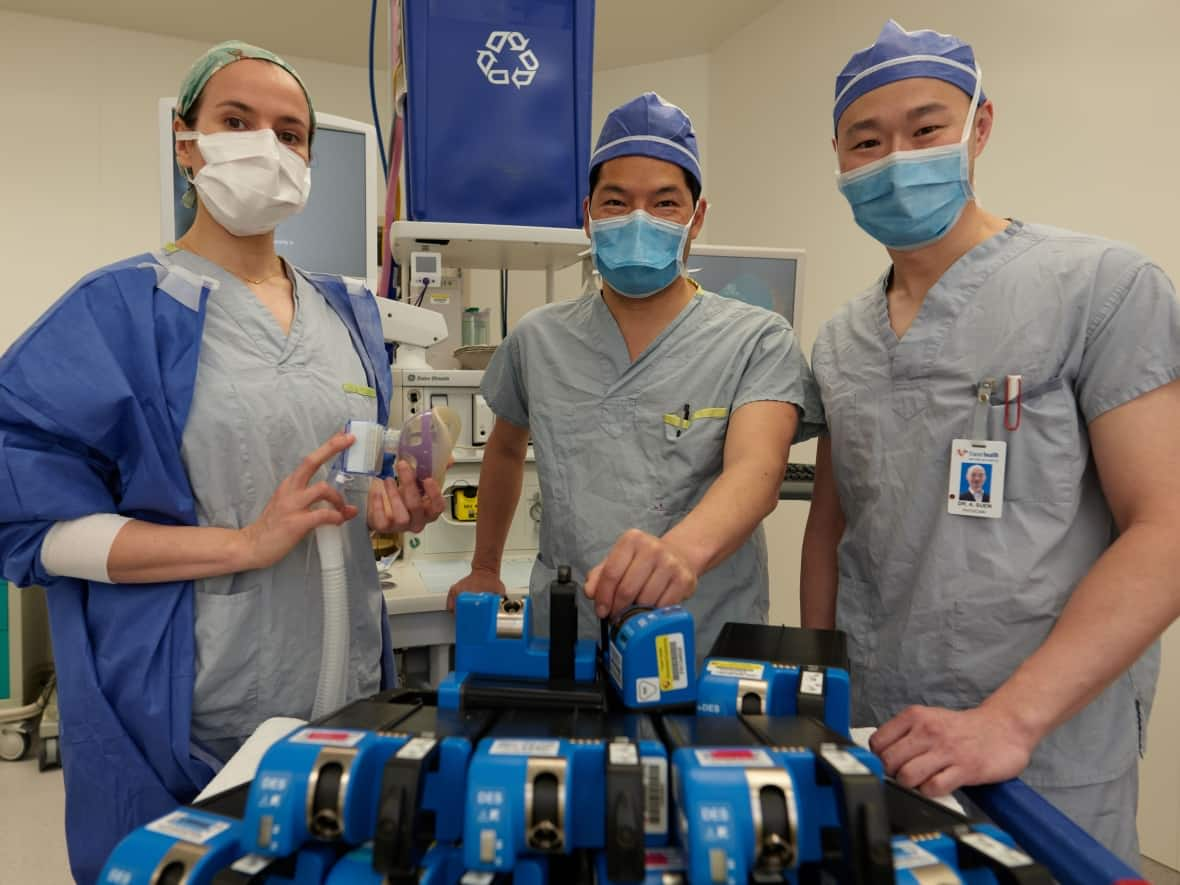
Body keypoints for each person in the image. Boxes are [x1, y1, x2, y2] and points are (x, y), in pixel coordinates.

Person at [0, 41, 444, 882]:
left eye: (290, 131)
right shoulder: (124, 307)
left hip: (341, 703)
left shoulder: (348, 316)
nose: (266, 147)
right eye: (236, 122)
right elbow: (28, 522)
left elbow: (344, 491)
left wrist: (390, 508)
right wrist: (241, 545)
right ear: (186, 140)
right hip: (189, 720)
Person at [800, 20, 1180, 867]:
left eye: (925, 127)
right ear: (839, 159)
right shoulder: (840, 340)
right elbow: (831, 527)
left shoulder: (1103, 288)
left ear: (980, 125)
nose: (897, 156)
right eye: (867, 139)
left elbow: (1167, 526)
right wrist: (815, 693)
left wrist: (1011, 718)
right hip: (881, 731)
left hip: (1044, 753)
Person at [449, 93, 821, 656]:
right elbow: (503, 451)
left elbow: (758, 473)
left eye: (665, 203)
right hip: (568, 633)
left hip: (702, 635)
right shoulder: (538, 338)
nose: (639, 219)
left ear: (697, 218)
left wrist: (679, 554)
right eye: (616, 202)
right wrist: (484, 567)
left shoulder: (756, 339)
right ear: (588, 215)